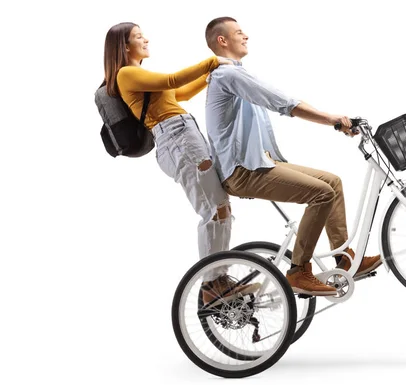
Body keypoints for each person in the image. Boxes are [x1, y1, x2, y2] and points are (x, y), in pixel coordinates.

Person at [203, 17, 382, 297]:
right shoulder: (228, 75)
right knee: (322, 193)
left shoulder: (237, 74)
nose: (246, 36)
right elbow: (283, 103)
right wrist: (332, 119)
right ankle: (299, 271)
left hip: (260, 163)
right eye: (239, 32)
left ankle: (345, 260)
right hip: (242, 171)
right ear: (221, 40)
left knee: (332, 182)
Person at [102, 22, 259, 305]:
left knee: (221, 209)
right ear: (125, 47)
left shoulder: (140, 75)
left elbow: (181, 94)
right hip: (177, 140)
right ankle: (212, 284)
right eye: (139, 37)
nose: (146, 39)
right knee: (212, 211)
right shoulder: (126, 74)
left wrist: (211, 75)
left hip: (184, 135)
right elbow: (174, 80)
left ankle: (218, 279)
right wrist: (212, 61)